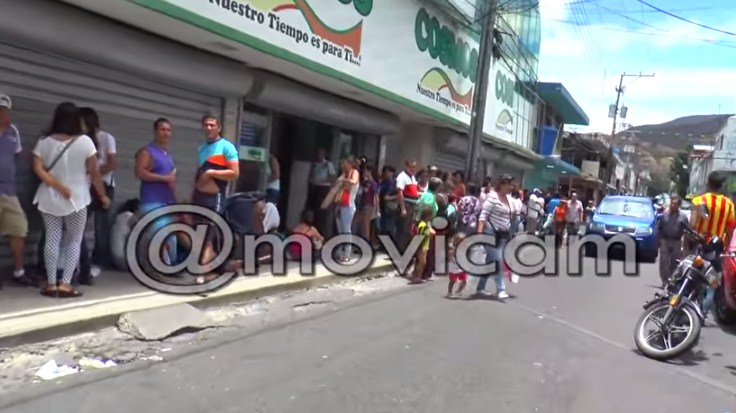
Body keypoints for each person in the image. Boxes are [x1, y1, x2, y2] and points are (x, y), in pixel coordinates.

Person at [32, 102, 110, 298]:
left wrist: (57, 185)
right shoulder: (85, 142)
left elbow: (38, 168)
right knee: (74, 240)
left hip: (48, 197)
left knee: (52, 238)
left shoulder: (44, 141)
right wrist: (102, 195)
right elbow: (94, 172)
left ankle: (50, 284)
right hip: (77, 197)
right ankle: (66, 284)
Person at [0, 93, 36, 288]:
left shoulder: (13, 131)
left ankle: (18, 271)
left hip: (9, 190)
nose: (3, 114)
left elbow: (16, 156)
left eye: (5, 110)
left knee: (19, 229)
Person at [193, 114, 239, 265]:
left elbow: (234, 173)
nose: (208, 128)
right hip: (199, 197)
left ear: (219, 127)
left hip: (214, 198)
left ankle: (201, 272)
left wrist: (211, 173)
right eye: (206, 125)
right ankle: (218, 265)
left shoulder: (226, 146)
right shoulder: (202, 148)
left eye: (212, 125)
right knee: (200, 235)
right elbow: (199, 171)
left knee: (207, 234)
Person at [690, 172, 736, 320]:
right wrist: (725, 248)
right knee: (712, 283)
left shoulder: (699, 201)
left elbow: (692, 226)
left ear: (708, 183)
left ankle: (688, 309)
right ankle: (701, 314)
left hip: (700, 246)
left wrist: (686, 247)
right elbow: (730, 229)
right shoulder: (729, 205)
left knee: (693, 278)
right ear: (721, 186)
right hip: (717, 249)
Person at [135, 118, 178, 266]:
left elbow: (171, 181)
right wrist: (163, 178)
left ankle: (168, 268)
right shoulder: (147, 152)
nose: (166, 133)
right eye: (162, 129)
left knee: (171, 239)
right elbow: (140, 173)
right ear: (155, 131)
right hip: (151, 202)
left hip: (166, 203)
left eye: (168, 130)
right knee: (161, 236)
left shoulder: (167, 155)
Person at [79, 107, 117, 269]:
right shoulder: (80, 140)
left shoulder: (106, 138)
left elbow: (112, 163)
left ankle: (100, 259)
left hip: (105, 185)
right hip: (86, 185)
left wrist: (94, 174)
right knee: (80, 223)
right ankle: (84, 261)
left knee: (101, 225)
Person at [476, 174, 515, 299]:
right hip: (490, 232)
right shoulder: (492, 197)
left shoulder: (509, 199)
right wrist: (479, 232)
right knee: (498, 260)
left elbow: (511, 216)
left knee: (490, 261)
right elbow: (483, 215)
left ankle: (480, 287)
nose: (511, 187)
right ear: (503, 184)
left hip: (503, 234)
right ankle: (501, 289)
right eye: (509, 184)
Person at [656, 195, 689, 288]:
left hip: (677, 242)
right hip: (665, 241)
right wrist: (657, 242)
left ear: (678, 205)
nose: (672, 205)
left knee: (674, 263)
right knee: (664, 262)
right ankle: (665, 281)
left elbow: (687, 230)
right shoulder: (664, 215)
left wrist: (685, 245)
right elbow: (659, 229)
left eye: (675, 204)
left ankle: (672, 281)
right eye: (672, 203)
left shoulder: (683, 217)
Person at [334, 158, 359, 263]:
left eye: (343, 163)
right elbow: (336, 183)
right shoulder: (344, 174)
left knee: (346, 230)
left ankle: (347, 253)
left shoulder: (354, 173)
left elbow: (353, 182)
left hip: (348, 206)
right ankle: (340, 251)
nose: (342, 165)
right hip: (340, 205)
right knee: (340, 230)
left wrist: (343, 180)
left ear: (349, 164)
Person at [308, 148, 336, 238]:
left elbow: (332, 177)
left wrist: (321, 181)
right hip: (314, 189)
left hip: (324, 188)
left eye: (321, 154)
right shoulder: (314, 164)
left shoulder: (328, 165)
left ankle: (322, 234)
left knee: (322, 213)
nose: (319, 155)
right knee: (314, 211)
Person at [395, 160, 419, 249]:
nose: (413, 169)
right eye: (411, 166)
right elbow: (400, 192)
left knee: (409, 229)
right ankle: (398, 249)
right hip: (406, 204)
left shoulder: (413, 177)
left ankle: (404, 248)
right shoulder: (402, 176)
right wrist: (403, 208)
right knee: (402, 229)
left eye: (414, 167)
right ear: (406, 166)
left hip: (413, 205)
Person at [354, 164, 379, 244]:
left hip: (368, 205)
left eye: (366, 171)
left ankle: (366, 244)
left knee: (366, 226)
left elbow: (376, 197)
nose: (364, 173)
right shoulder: (365, 182)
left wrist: (377, 209)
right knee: (360, 226)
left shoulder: (373, 183)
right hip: (361, 205)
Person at [410, 207, 434, 285]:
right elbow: (419, 236)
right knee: (422, 262)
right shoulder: (422, 225)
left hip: (425, 246)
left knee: (422, 262)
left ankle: (417, 277)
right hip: (422, 247)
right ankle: (417, 277)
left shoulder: (426, 224)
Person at [378, 166, 399, 242]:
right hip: (382, 207)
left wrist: (390, 198)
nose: (386, 174)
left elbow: (399, 195)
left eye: (388, 172)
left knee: (389, 228)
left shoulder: (395, 184)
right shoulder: (383, 182)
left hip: (390, 208)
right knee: (382, 227)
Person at [447, 231, 468, 298]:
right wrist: (452, 259)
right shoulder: (452, 248)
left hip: (462, 268)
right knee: (453, 281)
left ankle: (458, 291)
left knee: (464, 281)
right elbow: (450, 256)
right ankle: (449, 292)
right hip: (454, 268)